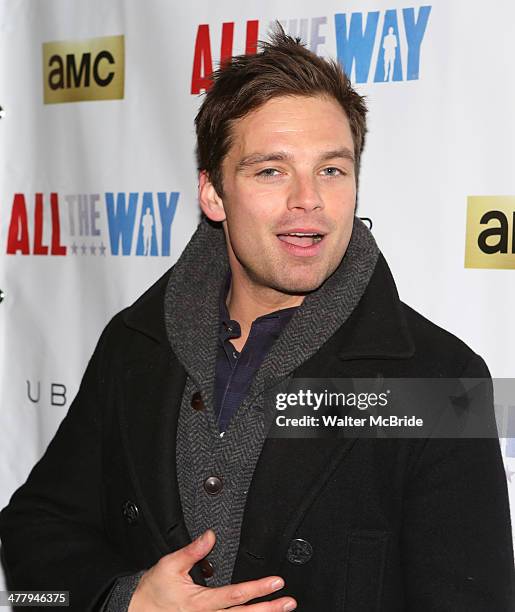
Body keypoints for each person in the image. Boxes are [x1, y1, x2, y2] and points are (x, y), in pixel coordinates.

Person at [1, 26, 513, 612]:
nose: (308, 199)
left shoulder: (436, 380)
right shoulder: (136, 343)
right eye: (270, 170)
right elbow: (34, 540)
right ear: (214, 194)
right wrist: (126, 601)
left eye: (332, 170)